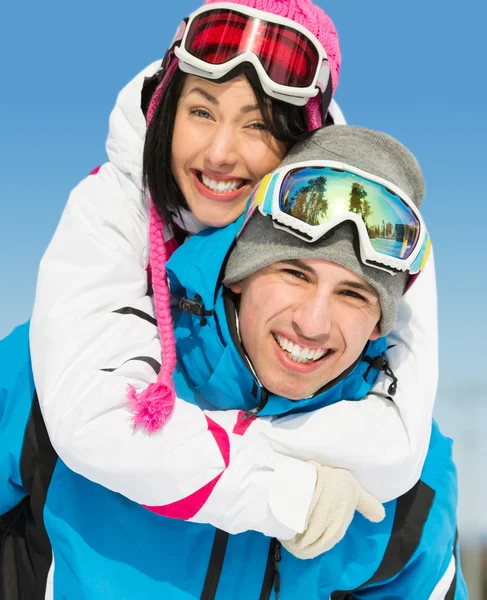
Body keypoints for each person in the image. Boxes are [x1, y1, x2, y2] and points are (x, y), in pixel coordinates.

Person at [30, 0, 437, 549]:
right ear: (170, 107)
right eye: (201, 112)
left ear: (301, 139)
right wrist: (284, 490)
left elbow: (400, 448)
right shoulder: (111, 205)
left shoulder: (369, 217)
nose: (221, 153)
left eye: (259, 125)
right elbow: (94, 417)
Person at [1, 126, 464, 598]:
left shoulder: (413, 488)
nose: (312, 322)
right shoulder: (75, 369)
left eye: (352, 295)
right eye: (293, 273)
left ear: (380, 324)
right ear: (239, 272)